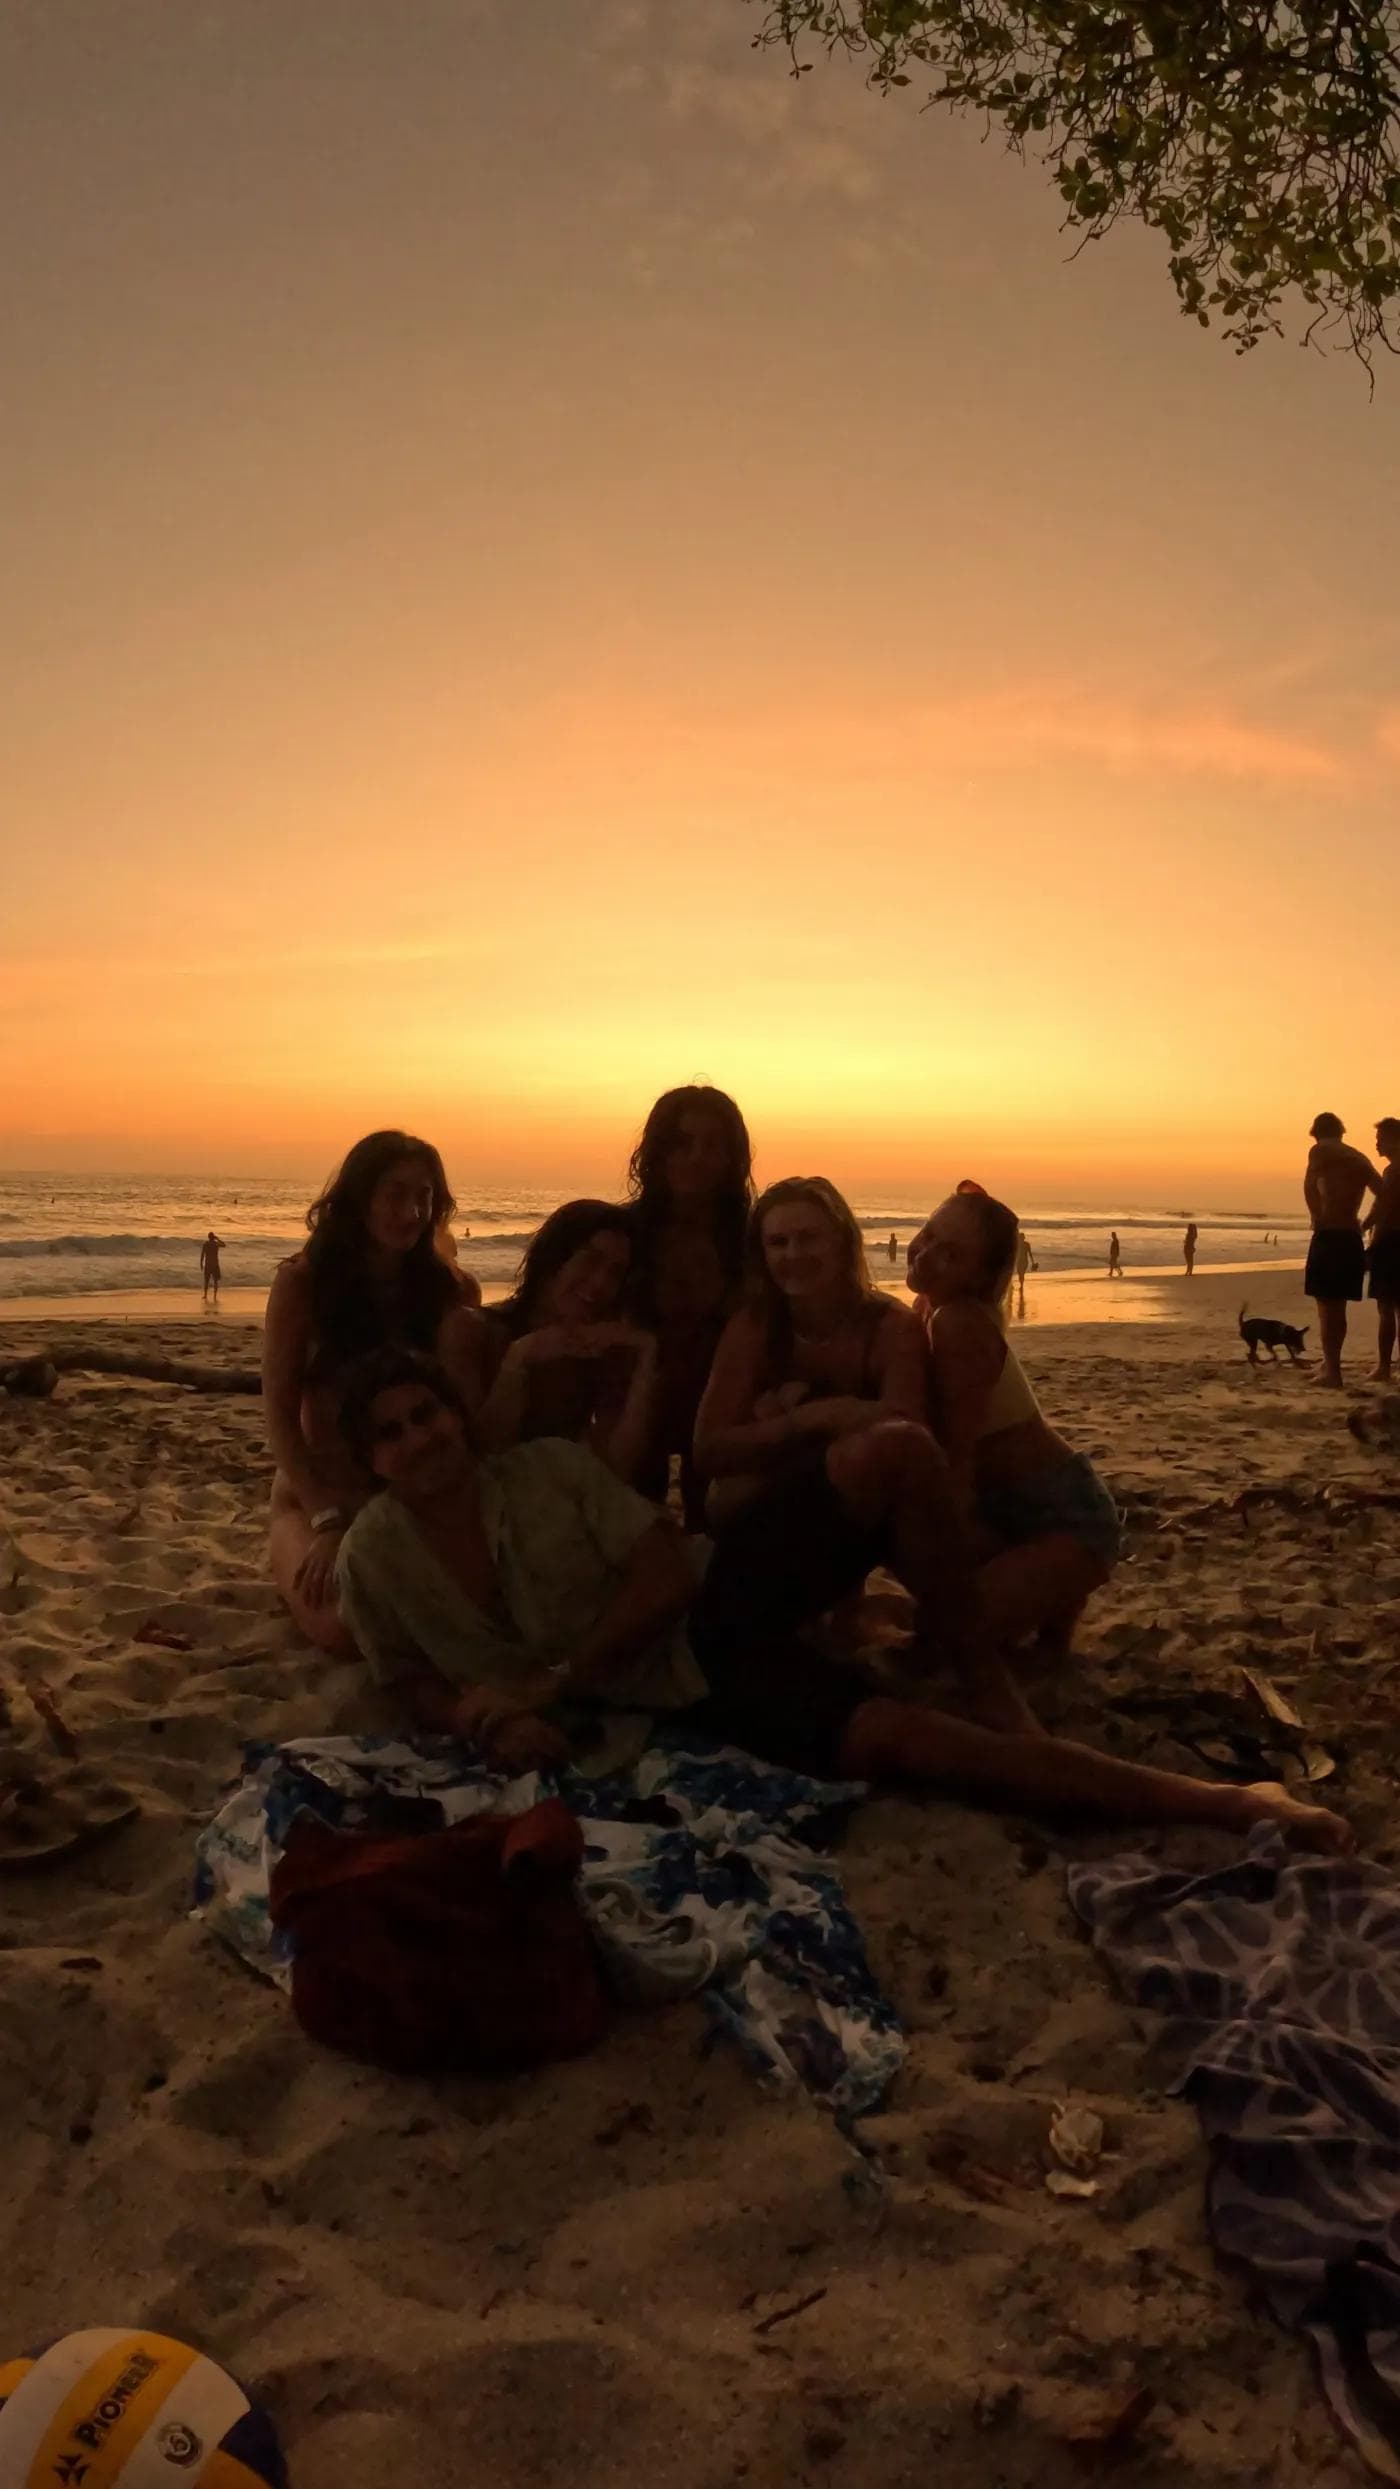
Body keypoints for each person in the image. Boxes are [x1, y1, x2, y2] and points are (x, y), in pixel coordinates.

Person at [333, 1350, 1349, 1852]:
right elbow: (408, 1674)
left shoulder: (545, 1470)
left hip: (703, 1600)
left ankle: (980, 1667)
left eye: (429, 1413)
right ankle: (1223, 1804)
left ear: (457, 1417)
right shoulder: (373, 1557)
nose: (421, 1438)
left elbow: (661, 1572)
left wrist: (553, 1683)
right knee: (902, 1740)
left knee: (894, 1451)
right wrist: (479, 1713)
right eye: (392, 1431)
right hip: (688, 1692)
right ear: (369, 1457)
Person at [262, 1130, 490, 1653]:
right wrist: (325, 1519)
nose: (411, 1211)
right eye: (396, 1193)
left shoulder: (450, 1292)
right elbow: (278, 1416)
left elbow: (465, 1413)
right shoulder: (305, 1284)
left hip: (411, 1495)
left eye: (424, 1196)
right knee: (346, 1628)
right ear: (360, 1197)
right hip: (319, 1494)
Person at [909, 1184, 1120, 1657]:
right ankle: (1046, 1598)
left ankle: (1056, 1592)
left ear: (979, 1277)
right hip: (1014, 1507)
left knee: (947, 1639)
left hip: (1062, 1516)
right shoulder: (927, 1308)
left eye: (952, 1254)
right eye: (928, 1234)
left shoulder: (958, 1323)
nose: (927, 1255)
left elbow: (958, 1454)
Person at [625, 1085, 754, 1524]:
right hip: (634, 1399)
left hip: (725, 1404)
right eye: (682, 1143)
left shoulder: (750, 1242)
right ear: (658, 1151)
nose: (696, 1157)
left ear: (731, 1159)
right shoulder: (624, 1234)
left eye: (713, 1146)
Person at [477, 1200, 658, 1480]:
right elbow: (480, 1456)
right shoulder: (476, 1330)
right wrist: (516, 1361)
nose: (599, 1282)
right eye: (590, 1260)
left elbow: (619, 1466)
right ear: (553, 1258)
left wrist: (646, 1356)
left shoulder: (598, 1349)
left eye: (615, 1272)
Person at [1304, 1113, 1379, 1388]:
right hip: (1350, 1237)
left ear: (1316, 1132)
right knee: (1339, 1306)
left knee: (1327, 1306)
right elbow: (1384, 1193)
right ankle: (1329, 1362)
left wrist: (1317, 1214)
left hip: (1330, 1234)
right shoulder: (1359, 1158)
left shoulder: (1320, 1149)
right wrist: (1367, 1222)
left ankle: (1332, 1372)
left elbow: (1311, 1185)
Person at [1365, 1116, 1400, 1383]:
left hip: (1390, 1243)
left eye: (1381, 1139)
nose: (1377, 1144)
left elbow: (1383, 1208)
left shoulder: (1393, 1171)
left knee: (1386, 1308)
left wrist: (1366, 1231)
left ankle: (1384, 1367)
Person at [199, 1231, 225, 1302]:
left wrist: (201, 1263)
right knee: (215, 1281)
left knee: (206, 1281)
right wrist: (218, 1239)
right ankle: (215, 1295)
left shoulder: (206, 1244)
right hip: (215, 1265)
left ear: (208, 1237)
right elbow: (224, 1245)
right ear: (213, 1237)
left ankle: (205, 1295)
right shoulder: (216, 1244)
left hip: (207, 1265)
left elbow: (202, 1254)